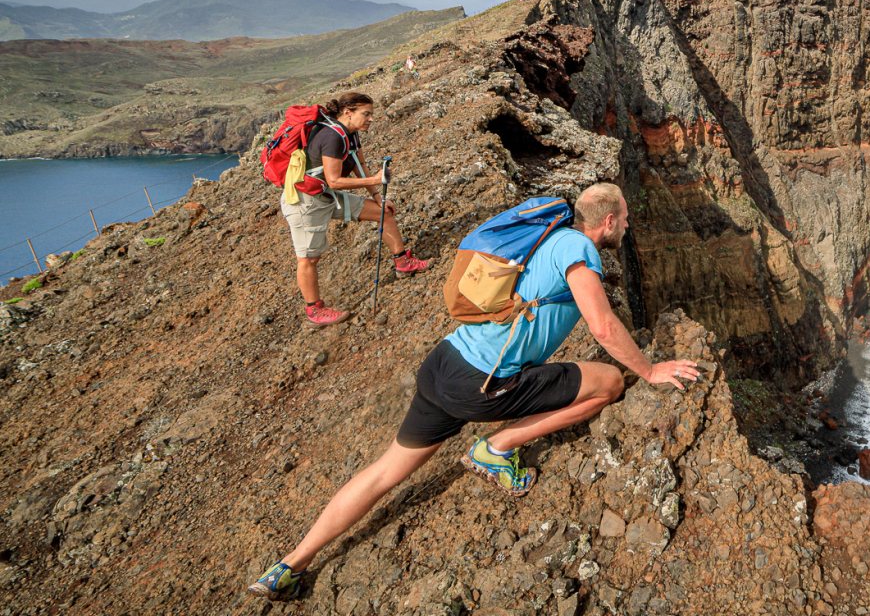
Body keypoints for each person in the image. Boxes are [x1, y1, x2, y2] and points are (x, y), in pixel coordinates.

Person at [248, 183, 700, 601]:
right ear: (607, 221)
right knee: (610, 382)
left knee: (384, 472)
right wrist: (650, 368)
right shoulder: (579, 248)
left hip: (444, 363)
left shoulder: (548, 234)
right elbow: (602, 325)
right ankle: (497, 448)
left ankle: (289, 565)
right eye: (624, 219)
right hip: (483, 383)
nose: (627, 226)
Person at [280, 92, 430, 326]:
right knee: (309, 259)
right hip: (305, 202)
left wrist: (377, 196)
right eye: (366, 114)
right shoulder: (332, 137)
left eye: (371, 114)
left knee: (384, 214)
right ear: (348, 112)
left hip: (326, 196)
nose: (370, 119)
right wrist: (376, 180)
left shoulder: (351, 134)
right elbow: (334, 180)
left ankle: (403, 263)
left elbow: (361, 166)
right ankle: (314, 312)